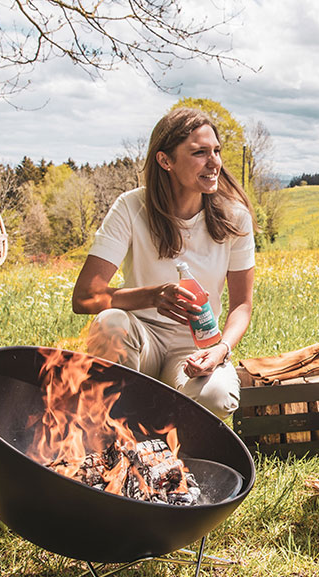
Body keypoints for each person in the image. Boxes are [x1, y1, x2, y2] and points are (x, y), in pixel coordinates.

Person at [72, 107, 255, 419]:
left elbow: (242, 305)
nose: (214, 163)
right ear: (165, 160)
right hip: (140, 337)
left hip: (197, 345)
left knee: (217, 396)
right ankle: (118, 427)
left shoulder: (234, 216)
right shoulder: (131, 207)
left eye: (216, 151)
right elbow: (85, 296)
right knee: (109, 324)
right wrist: (151, 296)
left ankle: (153, 403)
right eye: (200, 153)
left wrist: (220, 350)